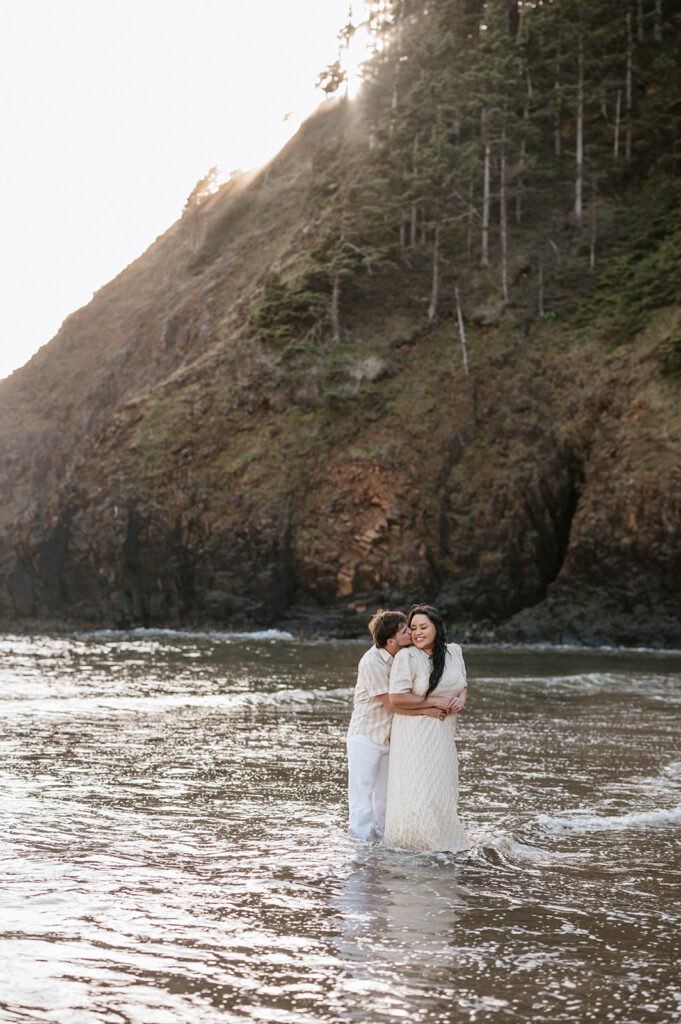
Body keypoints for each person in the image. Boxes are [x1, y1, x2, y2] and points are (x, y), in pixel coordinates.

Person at [347, 609, 454, 841]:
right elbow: (392, 703)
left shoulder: (404, 655)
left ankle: (383, 841)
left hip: (389, 739)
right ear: (391, 640)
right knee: (362, 795)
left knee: (384, 797)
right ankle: (361, 844)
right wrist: (429, 709)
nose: (412, 633)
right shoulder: (371, 662)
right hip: (366, 737)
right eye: (406, 630)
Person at [383, 604, 469, 853]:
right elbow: (397, 697)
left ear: (436, 628)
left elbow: (462, 684)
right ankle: (416, 841)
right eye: (413, 628)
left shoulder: (454, 652)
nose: (417, 633)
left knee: (441, 785)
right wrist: (433, 701)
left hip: (443, 731)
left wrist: (460, 700)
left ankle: (442, 839)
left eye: (424, 627)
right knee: (419, 786)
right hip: (414, 732)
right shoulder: (407, 657)